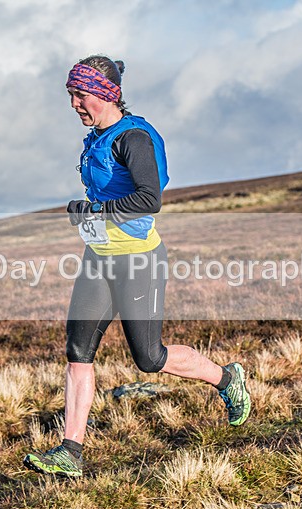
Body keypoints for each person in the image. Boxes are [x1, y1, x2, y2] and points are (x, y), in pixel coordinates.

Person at [23, 56, 251, 478]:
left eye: (80, 94)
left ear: (105, 94)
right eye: (70, 95)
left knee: (148, 358)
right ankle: (70, 450)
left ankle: (226, 378)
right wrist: (86, 213)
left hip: (138, 259)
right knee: (77, 352)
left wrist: (96, 208)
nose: (74, 103)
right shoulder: (96, 137)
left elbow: (150, 199)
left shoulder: (135, 139)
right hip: (99, 259)